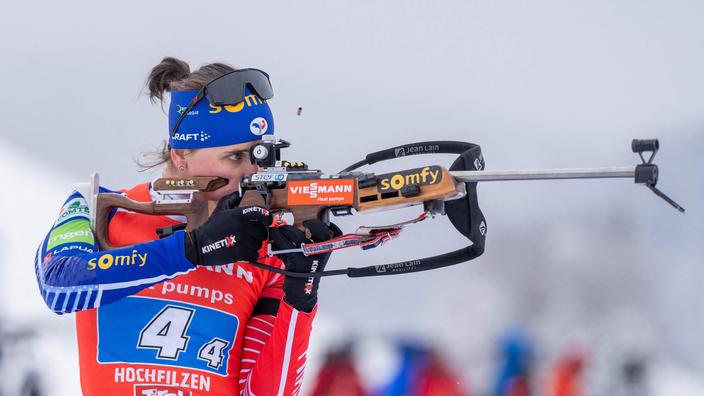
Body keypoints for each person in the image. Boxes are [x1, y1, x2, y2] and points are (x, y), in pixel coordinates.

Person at [34, 57, 339, 396]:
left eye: (259, 157)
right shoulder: (95, 207)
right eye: (235, 157)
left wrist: (301, 296)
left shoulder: (263, 247)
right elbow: (59, 284)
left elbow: (265, 392)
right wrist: (191, 249)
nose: (252, 172)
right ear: (180, 155)